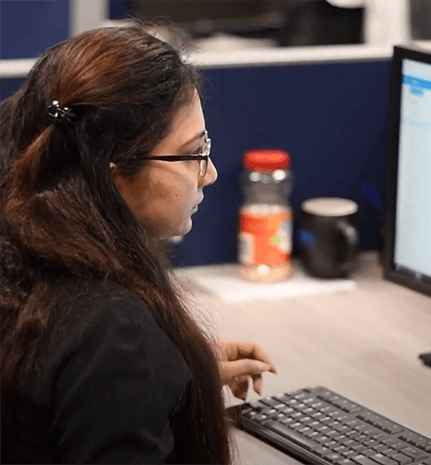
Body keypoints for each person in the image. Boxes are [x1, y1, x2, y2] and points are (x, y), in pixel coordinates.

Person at [0, 19, 277, 464]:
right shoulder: (110, 332)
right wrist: (134, 373)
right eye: (194, 151)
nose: (210, 172)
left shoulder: (24, 257)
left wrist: (176, 372)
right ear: (115, 170)